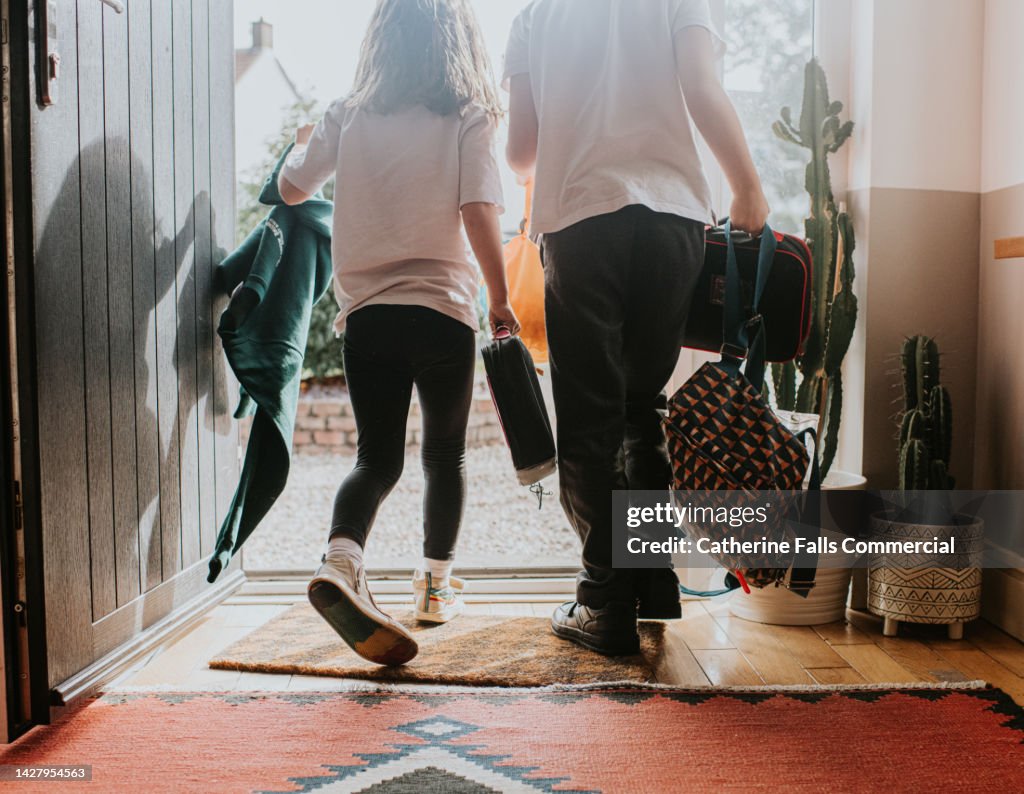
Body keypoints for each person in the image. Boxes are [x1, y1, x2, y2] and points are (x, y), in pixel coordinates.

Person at [504, 0, 770, 655]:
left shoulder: (537, 16)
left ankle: (603, 601)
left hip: (581, 220)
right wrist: (747, 187)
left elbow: (520, 152)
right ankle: (651, 580)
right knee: (641, 408)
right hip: (674, 220)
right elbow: (701, 88)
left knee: (592, 417)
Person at [278, 0, 519, 666]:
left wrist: (302, 141)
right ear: (457, 42)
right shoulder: (470, 116)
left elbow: (292, 188)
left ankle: (339, 561)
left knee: (375, 459)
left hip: (369, 317)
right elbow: (478, 210)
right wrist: (498, 298)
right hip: (442, 314)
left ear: (379, 40)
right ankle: (436, 589)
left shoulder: (347, 114)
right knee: (446, 456)